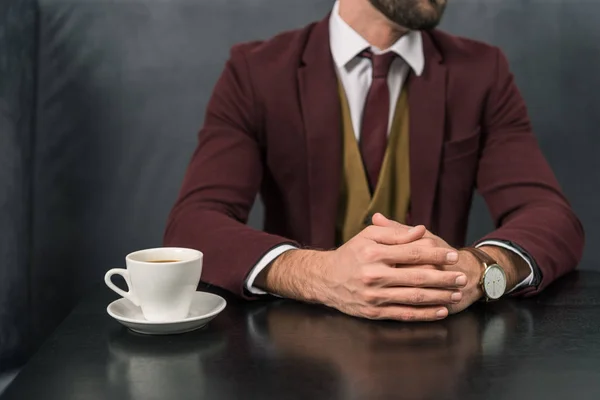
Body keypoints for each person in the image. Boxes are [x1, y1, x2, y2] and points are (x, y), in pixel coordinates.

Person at [164, 0, 584, 322]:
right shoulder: (255, 72)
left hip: (439, 346)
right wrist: (316, 274)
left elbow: (551, 216)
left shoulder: (482, 72)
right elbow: (193, 222)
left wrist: (480, 269)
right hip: (293, 354)